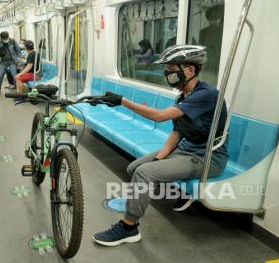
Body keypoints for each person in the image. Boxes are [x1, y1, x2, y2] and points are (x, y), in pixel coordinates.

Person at [93, 45, 228, 246]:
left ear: (190, 71)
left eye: (173, 69)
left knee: (144, 173)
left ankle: (129, 227)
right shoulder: (183, 96)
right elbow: (177, 132)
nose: (168, 74)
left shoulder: (206, 95)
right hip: (186, 149)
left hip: (208, 157)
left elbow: (160, 116)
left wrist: (123, 101)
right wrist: (159, 159)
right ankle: (159, 195)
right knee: (134, 168)